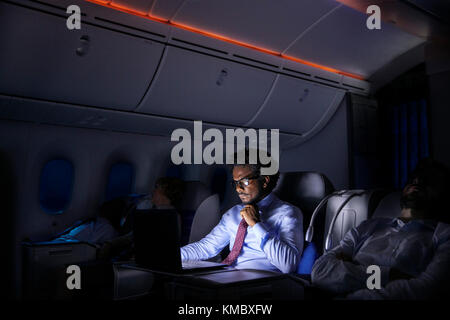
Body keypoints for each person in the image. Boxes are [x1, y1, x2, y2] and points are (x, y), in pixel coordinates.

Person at [311, 158, 450, 299]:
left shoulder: (443, 234)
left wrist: (352, 272)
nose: (418, 182)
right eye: (413, 180)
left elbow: (425, 290)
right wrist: (390, 275)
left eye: (429, 182)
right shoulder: (368, 227)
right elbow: (320, 271)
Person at [180, 149, 304, 273]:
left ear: (265, 181)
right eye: (235, 183)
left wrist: (256, 225)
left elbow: (289, 265)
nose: (238, 189)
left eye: (244, 181)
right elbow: (206, 247)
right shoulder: (233, 213)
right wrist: (170, 257)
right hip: (228, 275)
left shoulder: (288, 213)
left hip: (264, 281)